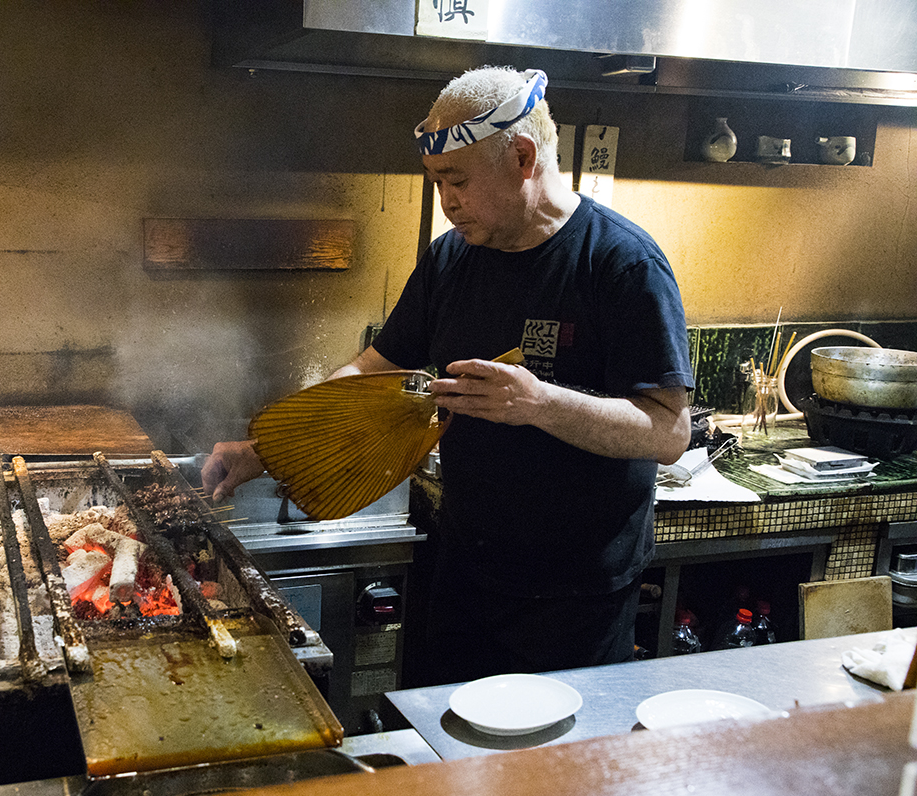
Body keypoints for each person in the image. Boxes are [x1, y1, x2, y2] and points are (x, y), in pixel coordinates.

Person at [203, 66, 693, 685]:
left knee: (546, 772)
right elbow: (375, 367)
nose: (446, 202)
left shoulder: (620, 264)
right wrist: (271, 447)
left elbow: (668, 431)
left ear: (521, 156)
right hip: (465, 568)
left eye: (457, 181)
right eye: (436, 183)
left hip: (574, 597)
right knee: (448, 755)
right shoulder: (452, 257)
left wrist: (539, 403)